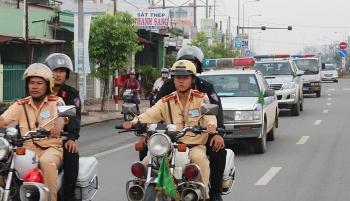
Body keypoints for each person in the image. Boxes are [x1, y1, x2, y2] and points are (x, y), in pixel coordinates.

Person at [123, 60, 221, 199]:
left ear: (192, 79)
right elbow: (150, 113)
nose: (181, 81)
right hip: (169, 146)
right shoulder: (166, 101)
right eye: (177, 77)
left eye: (185, 78)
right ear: (173, 80)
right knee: (144, 164)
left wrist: (211, 124)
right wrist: (134, 121)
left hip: (194, 146)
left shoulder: (201, 98)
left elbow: (209, 115)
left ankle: (205, 196)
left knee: (201, 161)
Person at [154, 46, 226, 201]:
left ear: (197, 69)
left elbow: (216, 111)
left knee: (218, 149)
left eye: (193, 63)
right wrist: (147, 132)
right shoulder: (167, 87)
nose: (182, 79)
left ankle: (213, 192)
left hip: (198, 137)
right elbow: (155, 111)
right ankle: (149, 184)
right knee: (148, 146)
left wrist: (217, 133)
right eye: (184, 62)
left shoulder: (206, 88)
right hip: (171, 137)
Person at [0, 63, 66, 201]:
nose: (34, 86)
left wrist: (57, 128)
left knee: (46, 162)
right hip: (27, 149)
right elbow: (3, 120)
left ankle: (50, 199)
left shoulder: (56, 102)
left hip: (51, 148)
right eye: (31, 83)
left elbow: (61, 116)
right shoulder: (20, 105)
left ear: (48, 85)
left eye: (39, 83)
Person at [44, 53, 81, 201]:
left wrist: (71, 137)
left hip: (61, 138)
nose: (58, 75)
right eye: (55, 71)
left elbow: (73, 118)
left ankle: (69, 193)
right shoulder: (39, 92)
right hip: (37, 137)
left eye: (62, 71)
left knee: (71, 152)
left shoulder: (71, 94)